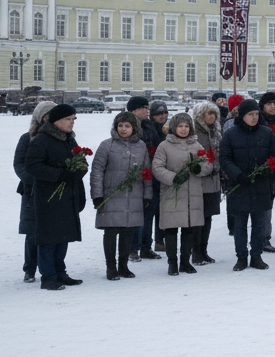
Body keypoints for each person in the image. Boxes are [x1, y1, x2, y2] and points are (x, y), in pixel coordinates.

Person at [25, 103, 86, 290]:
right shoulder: (42, 140)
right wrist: (59, 175)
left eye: (73, 119)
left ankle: (60, 272)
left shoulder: (69, 140)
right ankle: (48, 276)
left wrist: (79, 171)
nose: (71, 123)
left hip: (67, 196)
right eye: (68, 119)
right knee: (49, 238)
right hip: (48, 197)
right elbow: (32, 166)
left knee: (63, 236)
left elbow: (80, 160)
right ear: (56, 121)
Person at [219, 98, 275, 271]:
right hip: (239, 185)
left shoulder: (266, 133)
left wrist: (267, 171)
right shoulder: (231, 134)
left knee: (259, 223)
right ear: (242, 116)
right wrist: (237, 174)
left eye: (256, 114)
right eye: (250, 114)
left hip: (260, 185)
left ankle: (256, 255)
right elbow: (224, 158)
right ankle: (241, 256)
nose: (254, 118)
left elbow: (274, 156)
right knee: (240, 224)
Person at [89, 112, 149, 280]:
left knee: (127, 231)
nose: (123, 129)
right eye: (120, 126)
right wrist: (97, 195)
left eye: (127, 126)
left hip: (133, 195)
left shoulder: (141, 146)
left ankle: (123, 265)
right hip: (111, 195)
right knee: (110, 231)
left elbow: (146, 172)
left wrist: (147, 194)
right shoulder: (107, 145)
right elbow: (97, 171)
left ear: (134, 128)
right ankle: (111, 267)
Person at [152, 113, 213, 276]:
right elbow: (157, 168)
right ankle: (172, 262)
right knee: (171, 230)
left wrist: (199, 169)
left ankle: (185, 262)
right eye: (180, 126)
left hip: (192, 195)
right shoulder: (164, 146)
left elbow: (208, 165)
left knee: (189, 230)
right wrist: (173, 177)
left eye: (186, 126)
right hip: (173, 193)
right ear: (173, 127)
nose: (184, 129)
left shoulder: (197, 145)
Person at [13, 100, 56, 283]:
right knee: (33, 230)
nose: (49, 119)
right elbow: (19, 164)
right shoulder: (27, 138)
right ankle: (29, 268)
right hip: (32, 190)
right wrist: (34, 179)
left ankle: (51, 265)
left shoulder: (61, 137)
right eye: (47, 115)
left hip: (54, 189)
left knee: (53, 230)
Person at [191, 101, 224, 265]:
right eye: (208, 113)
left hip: (213, 178)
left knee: (208, 216)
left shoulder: (216, 130)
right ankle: (195, 251)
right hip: (198, 179)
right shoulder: (194, 132)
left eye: (214, 113)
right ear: (200, 115)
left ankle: (203, 250)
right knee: (198, 217)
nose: (212, 116)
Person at [138, 100, 169, 258]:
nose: (162, 116)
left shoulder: (168, 129)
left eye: (165, 113)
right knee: (150, 211)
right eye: (158, 113)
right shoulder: (148, 128)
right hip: (151, 174)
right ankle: (145, 245)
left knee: (162, 211)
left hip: (164, 174)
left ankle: (160, 240)